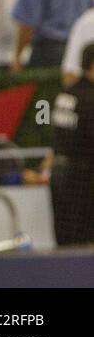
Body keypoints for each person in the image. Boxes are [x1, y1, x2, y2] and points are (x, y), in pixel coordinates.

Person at [48, 42, 94, 244]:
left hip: (60, 175)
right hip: (83, 179)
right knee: (84, 244)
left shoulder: (66, 94)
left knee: (65, 243)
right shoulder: (89, 99)